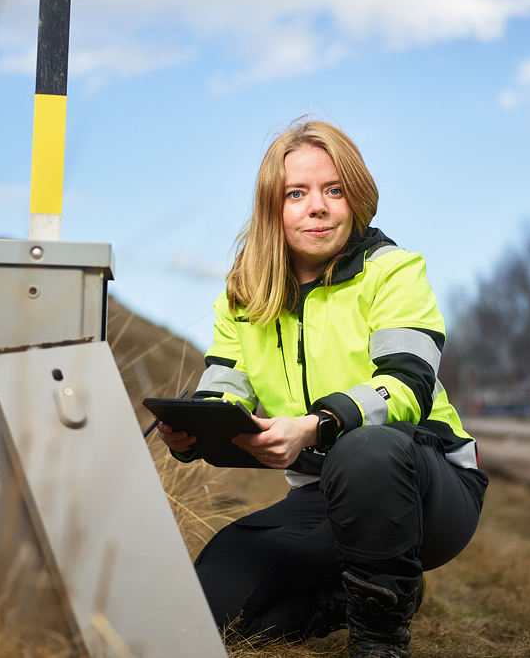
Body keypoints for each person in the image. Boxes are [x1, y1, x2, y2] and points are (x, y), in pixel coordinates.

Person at [157, 119, 487, 658]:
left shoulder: (395, 272)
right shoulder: (243, 298)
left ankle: (379, 637)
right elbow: (223, 388)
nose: (317, 206)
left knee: (366, 449)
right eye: (297, 193)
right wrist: (196, 427)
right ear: (273, 208)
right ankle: (348, 598)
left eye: (333, 190)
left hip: (426, 488)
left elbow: (407, 387)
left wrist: (315, 427)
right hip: (321, 497)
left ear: (354, 198)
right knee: (203, 612)